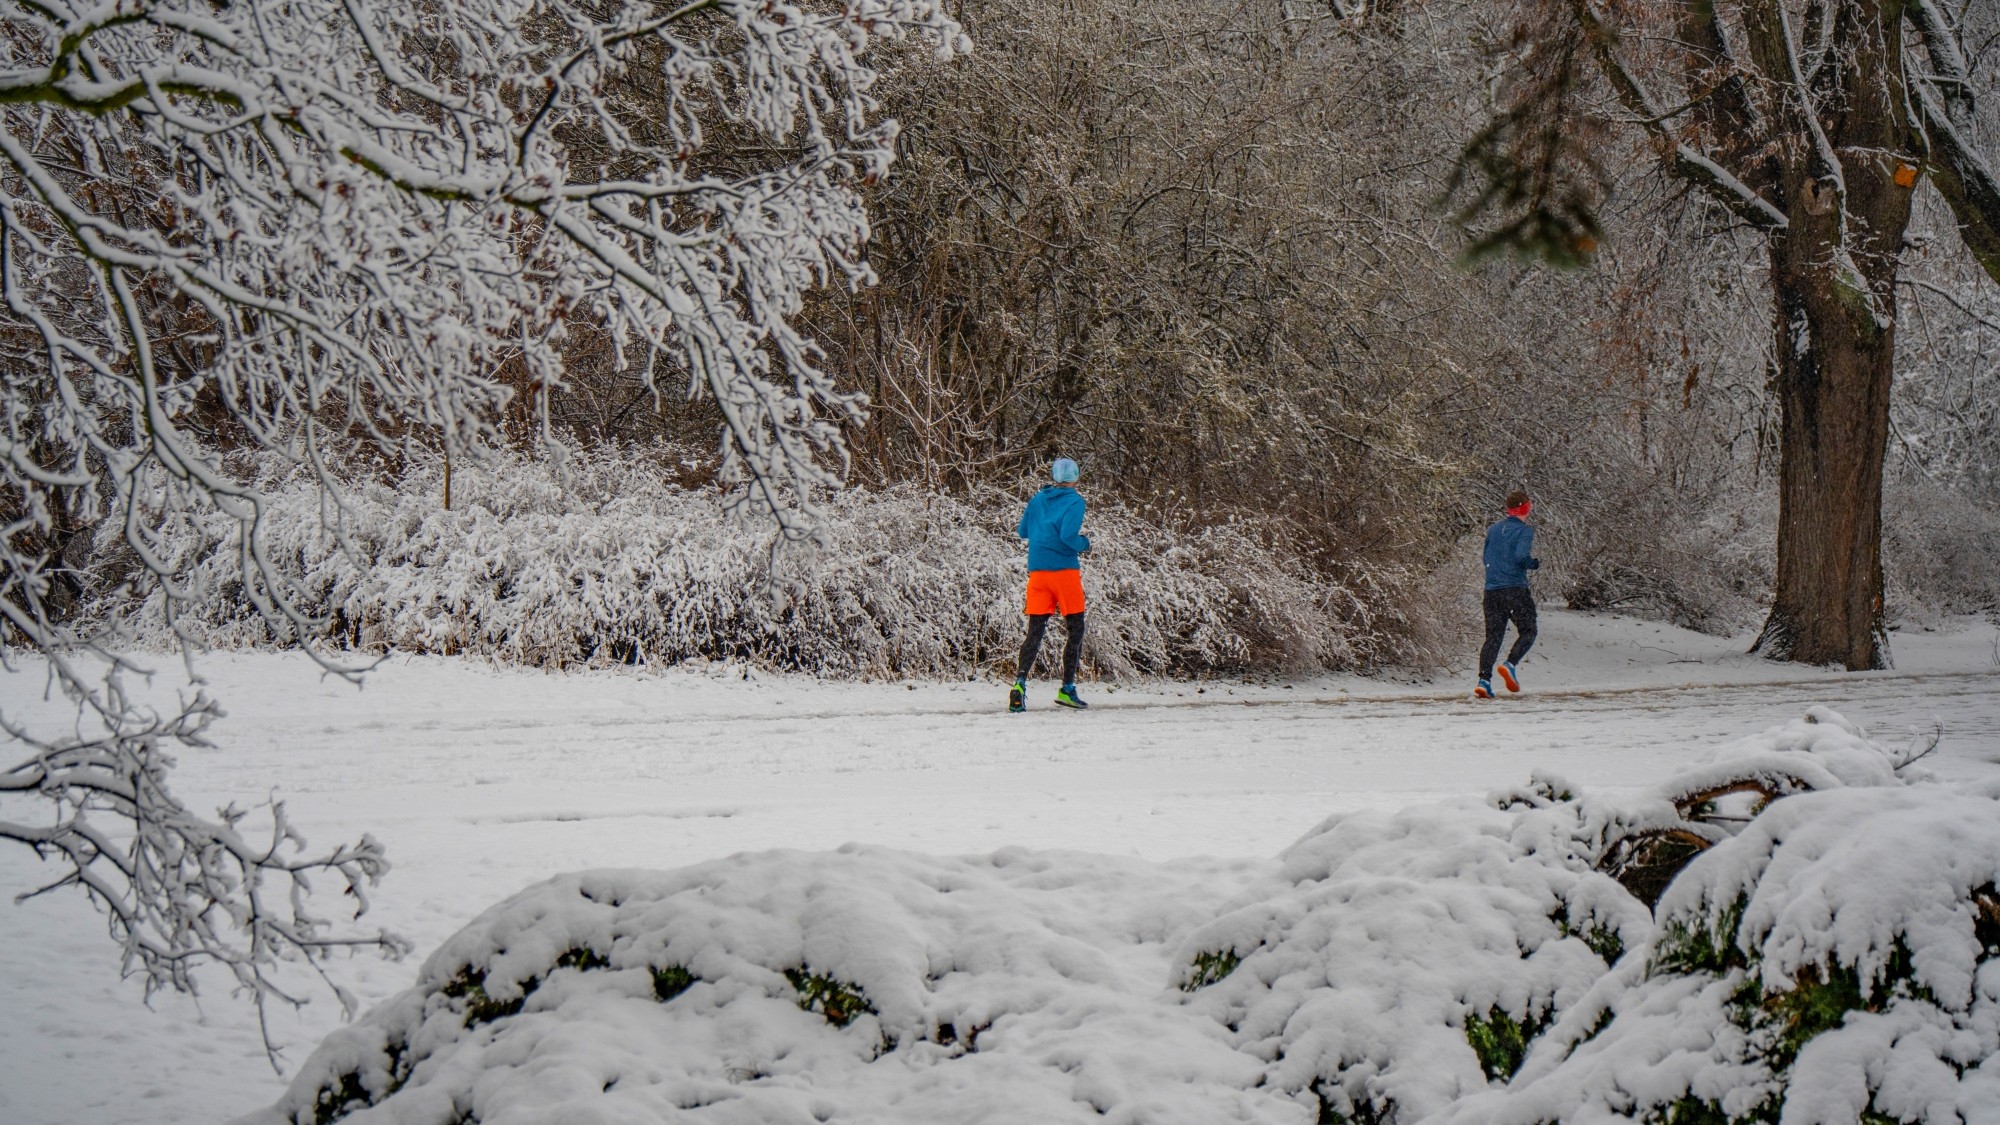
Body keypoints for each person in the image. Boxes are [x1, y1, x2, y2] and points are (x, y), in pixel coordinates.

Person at [1012, 458, 1091, 711]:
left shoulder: (1037, 500)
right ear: (1074, 477)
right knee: (1075, 629)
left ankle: (1019, 684)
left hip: (1038, 574)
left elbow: (1023, 531)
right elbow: (1068, 536)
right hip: (1064, 574)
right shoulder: (1075, 501)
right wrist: (1084, 543)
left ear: (1054, 476)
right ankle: (1067, 688)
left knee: (1034, 631)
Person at [1477, 489, 1540, 699]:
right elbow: (1521, 556)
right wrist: (1533, 563)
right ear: (1525, 508)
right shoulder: (1524, 531)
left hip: (1491, 591)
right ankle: (1510, 664)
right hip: (1514, 590)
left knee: (1493, 637)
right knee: (1529, 630)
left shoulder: (1494, 530)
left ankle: (1484, 681)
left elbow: (1485, 557)